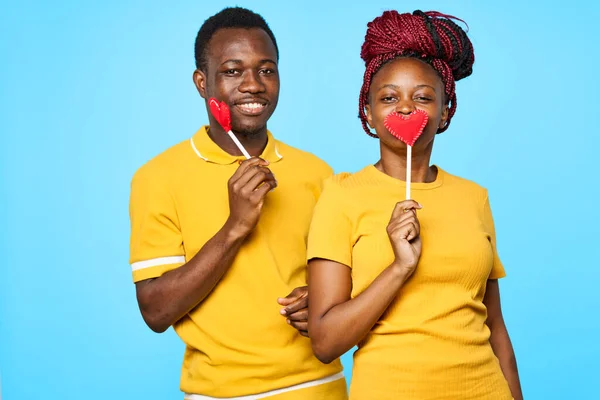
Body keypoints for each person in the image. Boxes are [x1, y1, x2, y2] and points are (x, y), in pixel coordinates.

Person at [129, 7, 346, 399]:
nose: (253, 85)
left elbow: (348, 281)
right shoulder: (157, 177)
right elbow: (155, 312)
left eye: (266, 70)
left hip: (319, 387)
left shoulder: (317, 172)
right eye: (232, 70)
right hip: (219, 392)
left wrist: (325, 300)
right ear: (202, 82)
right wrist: (236, 227)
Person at [306, 10, 523, 400]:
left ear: (445, 112)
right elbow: (324, 342)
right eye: (388, 97)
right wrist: (399, 268)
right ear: (368, 113)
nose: (405, 108)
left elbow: (495, 327)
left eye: (423, 97)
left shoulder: (474, 197)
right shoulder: (341, 196)